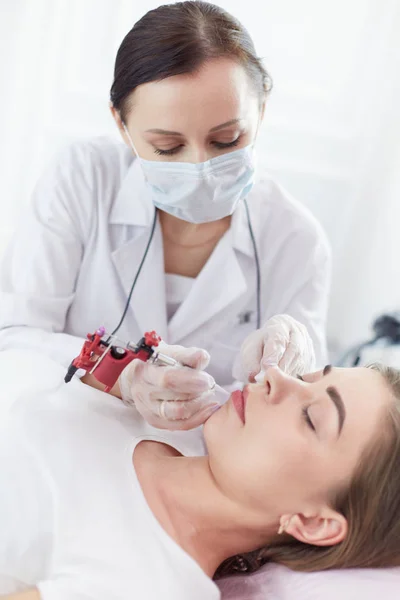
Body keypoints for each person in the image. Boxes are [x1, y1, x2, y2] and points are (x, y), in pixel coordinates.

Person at [0, 1, 330, 429]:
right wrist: (122, 376)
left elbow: (300, 417)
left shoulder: (295, 239)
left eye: (227, 140)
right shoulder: (83, 180)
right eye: (168, 148)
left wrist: (291, 362)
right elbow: (15, 339)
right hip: (68, 435)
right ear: (121, 125)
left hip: (197, 466)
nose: (200, 169)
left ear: (261, 110)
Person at [0, 350, 399, 600]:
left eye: (311, 417)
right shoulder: (166, 411)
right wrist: (115, 375)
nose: (277, 377)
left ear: (314, 522)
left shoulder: (145, 584)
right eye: (310, 376)